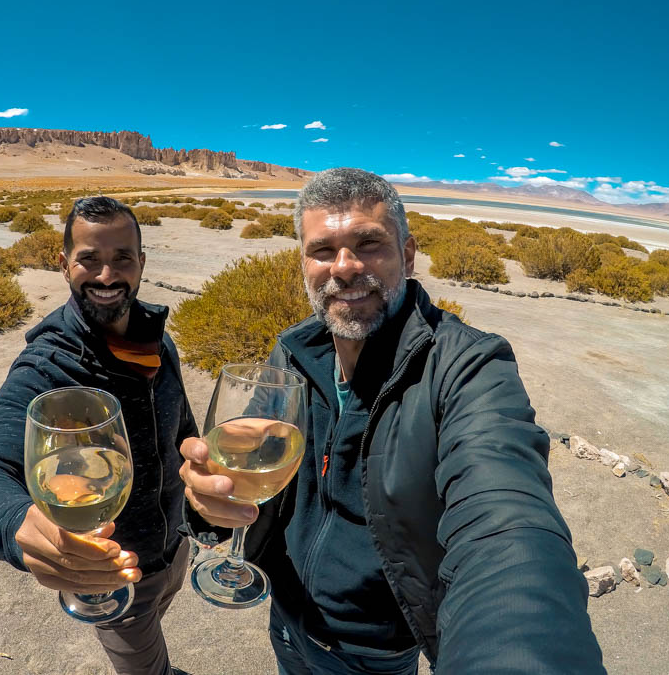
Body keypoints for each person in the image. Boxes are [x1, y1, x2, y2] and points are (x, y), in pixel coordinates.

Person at [179, 169, 606, 673]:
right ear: (303, 263)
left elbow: (507, 521)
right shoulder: (294, 351)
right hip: (287, 619)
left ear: (407, 254)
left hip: (374, 652)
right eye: (322, 250)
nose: (344, 267)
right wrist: (211, 504)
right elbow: (258, 465)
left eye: (369, 244)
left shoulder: (466, 368)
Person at [0, 196, 198, 675]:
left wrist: (200, 508)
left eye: (122, 259)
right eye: (89, 260)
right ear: (64, 265)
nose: (107, 276)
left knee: (161, 623)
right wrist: (16, 527)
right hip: (110, 572)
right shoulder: (49, 364)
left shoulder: (156, 336)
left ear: (141, 263)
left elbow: (181, 428)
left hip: (177, 547)